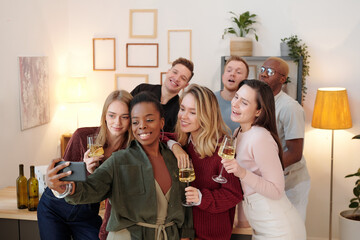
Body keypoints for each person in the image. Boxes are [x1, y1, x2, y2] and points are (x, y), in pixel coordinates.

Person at [46, 92, 194, 240]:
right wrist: (61, 186)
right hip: (123, 234)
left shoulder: (176, 160)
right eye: (136, 121)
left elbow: (185, 204)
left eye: (149, 119)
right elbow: (91, 188)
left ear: (161, 122)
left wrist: (174, 145)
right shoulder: (119, 159)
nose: (142, 125)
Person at [37, 90, 133, 240]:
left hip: (87, 214)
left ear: (132, 118)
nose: (117, 122)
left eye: (125, 117)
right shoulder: (82, 136)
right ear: (105, 116)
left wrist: (174, 145)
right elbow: (63, 178)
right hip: (55, 207)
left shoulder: (129, 151)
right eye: (112, 115)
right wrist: (85, 169)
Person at [222, 79, 306, 239]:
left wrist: (242, 172)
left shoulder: (260, 137)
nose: (236, 104)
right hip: (261, 224)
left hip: (279, 228)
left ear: (258, 111)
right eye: (236, 97)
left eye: (244, 102)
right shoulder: (238, 132)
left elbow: (276, 190)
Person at [172, 84, 243, 240]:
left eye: (192, 112)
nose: (183, 116)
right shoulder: (184, 139)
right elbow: (157, 136)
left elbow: (234, 194)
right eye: (182, 109)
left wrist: (201, 197)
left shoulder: (221, 148)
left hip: (211, 233)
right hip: (184, 231)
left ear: (206, 116)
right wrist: (174, 146)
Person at [259, 57, 310, 221]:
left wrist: (264, 171)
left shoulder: (290, 107)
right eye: (262, 70)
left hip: (290, 184)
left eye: (270, 72)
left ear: (282, 79)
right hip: (267, 182)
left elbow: (295, 153)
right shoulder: (257, 103)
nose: (263, 75)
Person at [131, 57, 194, 132]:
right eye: (175, 72)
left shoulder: (180, 110)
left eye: (183, 78)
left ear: (186, 85)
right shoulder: (142, 89)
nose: (177, 79)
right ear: (168, 72)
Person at [215, 56, 249, 133]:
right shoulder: (209, 99)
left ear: (245, 80)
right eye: (229, 70)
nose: (232, 74)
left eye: (238, 72)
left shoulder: (249, 106)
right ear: (223, 76)